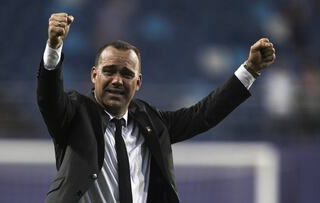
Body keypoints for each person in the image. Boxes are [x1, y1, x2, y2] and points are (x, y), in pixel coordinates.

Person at [37, 13, 276, 203]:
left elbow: (202, 115)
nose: (117, 80)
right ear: (94, 75)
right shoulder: (75, 113)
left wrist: (250, 71)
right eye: (109, 71)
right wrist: (53, 47)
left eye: (126, 74)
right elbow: (49, 99)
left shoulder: (151, 121)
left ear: (138, 82)